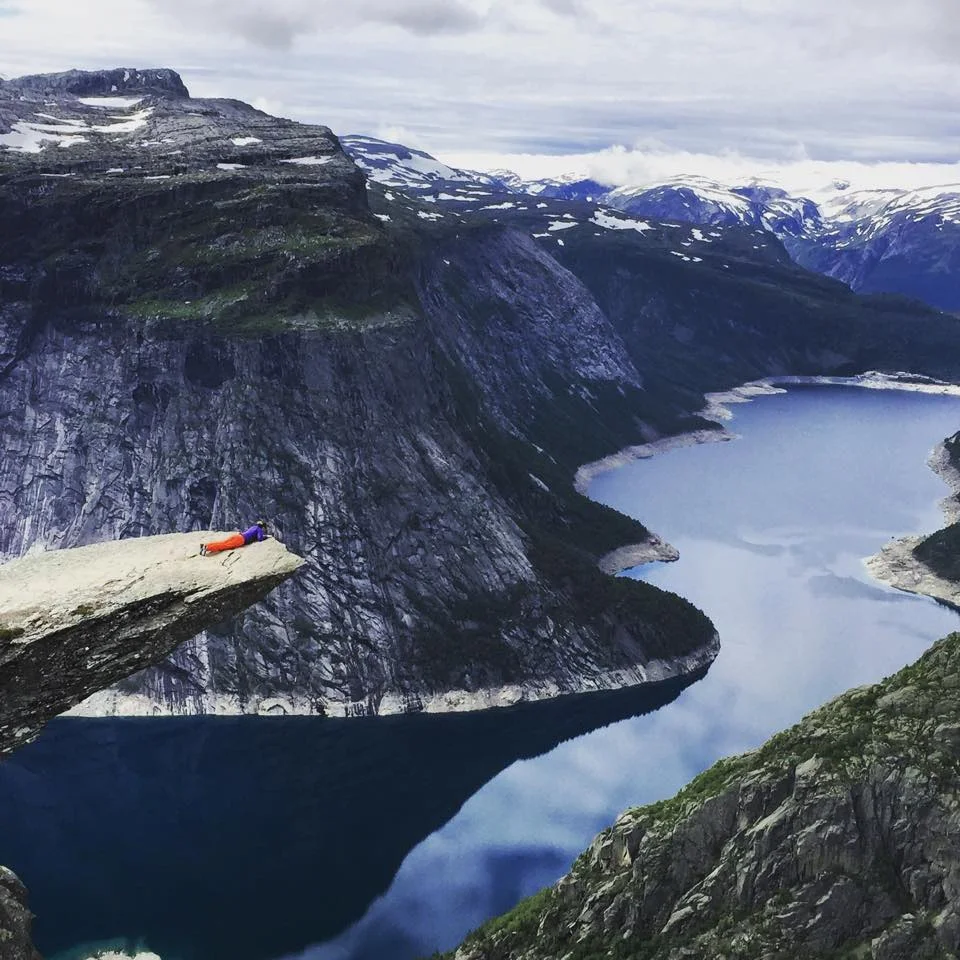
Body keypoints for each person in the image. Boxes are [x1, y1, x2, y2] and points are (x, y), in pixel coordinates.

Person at [201, 520, 269, 556]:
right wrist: (265, 537)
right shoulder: (259, 529)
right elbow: (260, 539)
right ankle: (207, 549)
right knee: (223, 546)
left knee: (222, 542)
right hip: (241, 540)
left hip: (238, 536)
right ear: (262, 526)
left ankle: (206, 545)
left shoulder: (253, 527)